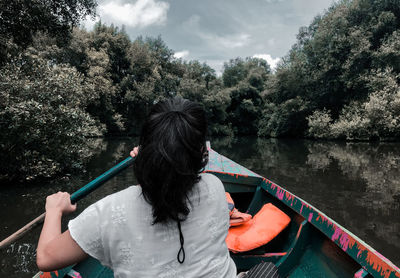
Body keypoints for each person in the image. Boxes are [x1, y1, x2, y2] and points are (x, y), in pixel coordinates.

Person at [36, 97, 237, 277]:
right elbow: (169, 189)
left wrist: (54, 210)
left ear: (144, 147)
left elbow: (46, 259)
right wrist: (157, 162)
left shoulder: (108, 212)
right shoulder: (216, 187)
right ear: (201, 151)